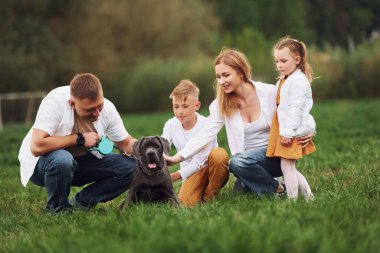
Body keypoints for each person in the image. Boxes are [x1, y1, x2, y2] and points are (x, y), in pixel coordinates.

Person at [165, 48, 314, 197]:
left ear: (241, 72)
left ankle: (276, 190)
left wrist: (309, 130)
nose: (221, 81)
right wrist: (177, 158)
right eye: (218, 76)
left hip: (276, 156)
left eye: (226, 75)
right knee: (240, 187)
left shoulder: (270, 92)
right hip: (246, 164)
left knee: (237, 163)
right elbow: (205, 135)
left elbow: (298, 110)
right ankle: (278, 188)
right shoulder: (220, 104)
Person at [18, 73, 137, 213]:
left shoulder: (108, 109)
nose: (97, 114)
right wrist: (79, 139)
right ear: (72, 103)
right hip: (43, 166)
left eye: (100, 106)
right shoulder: (54, 101)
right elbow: (36, 146)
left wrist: (149, 151)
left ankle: (81, 202)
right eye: (90, 110)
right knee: (62, 159)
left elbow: (126, 142)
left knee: (135, 167)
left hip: (83, 162)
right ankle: (57, 209)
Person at [162, 79, 229, 207]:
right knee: (185, 203)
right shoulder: (170, 124)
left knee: (219, 154)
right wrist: (159, 156)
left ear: (197, 105)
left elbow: (199, 163)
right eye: (176, 106)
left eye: (185, 106)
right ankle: (199, 191)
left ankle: (211, 195)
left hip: (212, 168)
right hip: (191, 174)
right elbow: (163, 145)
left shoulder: (206, 125)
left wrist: (172, 177)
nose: (180, 111)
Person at [266, 36, 316, 200]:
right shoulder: (286, 78)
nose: (279, 65)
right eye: (276, 61)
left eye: (283, 61)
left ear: (297, 60)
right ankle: (309, 197)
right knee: (288, 167)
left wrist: (288, 132)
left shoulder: (299, 81)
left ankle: (292, 201)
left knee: (287, 166)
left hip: (291, 129)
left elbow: (296, 108)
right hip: (283, 128)